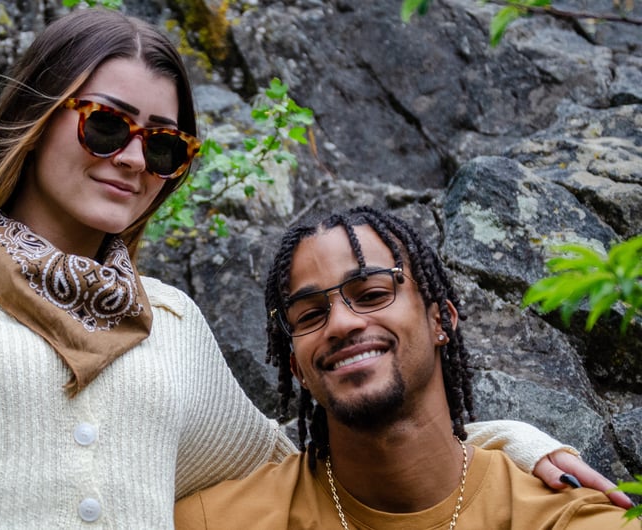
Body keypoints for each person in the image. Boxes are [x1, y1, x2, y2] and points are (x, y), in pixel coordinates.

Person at [0, 8, 627, 529]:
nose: (134, 159)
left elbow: (314, 456)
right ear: (35, 123)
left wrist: (510, 445)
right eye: (106, 125)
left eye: (165, 145)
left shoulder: (166, 325)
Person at [175, 206, 631, 529]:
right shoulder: (214, 522)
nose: (342, 323)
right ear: (296, 366)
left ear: (441, 320)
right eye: (311, 315)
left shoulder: (565, 519)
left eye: (372, 294)